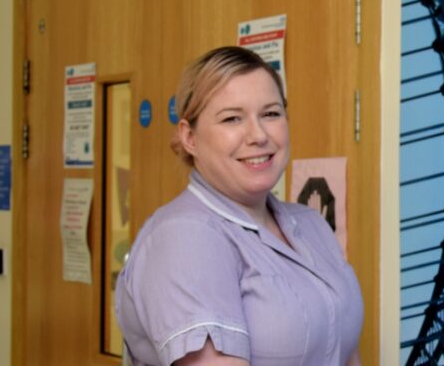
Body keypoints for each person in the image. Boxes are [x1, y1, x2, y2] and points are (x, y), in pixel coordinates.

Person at [115, 46, 363, 365]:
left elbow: (346, 349)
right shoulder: (185, 237)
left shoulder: (310, 224)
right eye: (232, 118)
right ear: (190, 137)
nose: (258, 135)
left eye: (271, 114)